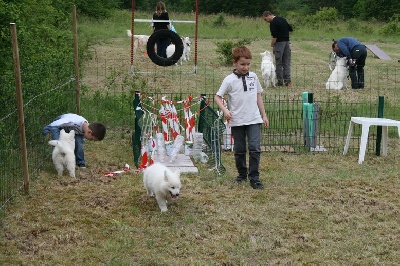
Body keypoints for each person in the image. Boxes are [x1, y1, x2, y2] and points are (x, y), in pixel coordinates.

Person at [214, 46, 269, 190]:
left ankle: (254, 177)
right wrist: (225, 110)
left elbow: (258, 96)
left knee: (255, 148)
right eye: (242, 64)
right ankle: (242, 174)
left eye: (248, 64)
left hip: (254, 119)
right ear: (235, 63)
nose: (246, 67)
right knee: (239, 149)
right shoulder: (229, 80)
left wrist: (264, 115)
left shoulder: (254, 77)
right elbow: (217, 97)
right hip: (237, 120)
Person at [263, 11, 293, 87]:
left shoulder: (273, 23)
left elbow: (274, 37)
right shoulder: (282, 19)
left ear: (268, 15)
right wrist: (285, 36)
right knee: (286, 62)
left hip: (279, 43)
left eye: (265, 19)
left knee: (278, 63)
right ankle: (288, 81)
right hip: (287, 42)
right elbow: (290, 30)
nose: (266, 21)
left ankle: (280, 82)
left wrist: (272, 45)